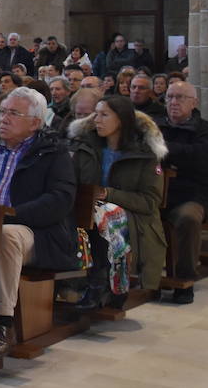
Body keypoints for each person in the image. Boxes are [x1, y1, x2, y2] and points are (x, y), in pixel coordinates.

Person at [0, 87, 79, 358]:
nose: (4, 119)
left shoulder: (54, 153)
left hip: (36, 233)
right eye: (3, 112)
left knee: (7, 236)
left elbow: (59, 201)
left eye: (13, 113)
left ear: (35, 122)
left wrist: (9, 215)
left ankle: (2, 324)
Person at [68, 94, 167, 308]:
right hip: (87, 213)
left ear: (121, 119)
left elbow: (150, 202)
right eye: (96, 115)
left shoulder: (145, 154)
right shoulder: (87, 147)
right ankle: (73, 280)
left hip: (133, 220)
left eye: (104, 115)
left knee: (106, 214)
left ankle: (102, 284)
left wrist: (108, 194)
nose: (97, 120)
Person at [152, 82, 208, 304]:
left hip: (190, 194)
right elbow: (145, 154)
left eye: (180, 97)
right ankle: (146, 279)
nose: (173, 102)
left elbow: (201, 160)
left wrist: (163, 149)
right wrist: (177, 157)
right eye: (169, 97)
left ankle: (185, 280)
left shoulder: (205, 129)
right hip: (157, 194)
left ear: (194, 102)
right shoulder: (155, 125)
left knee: (188, 218)